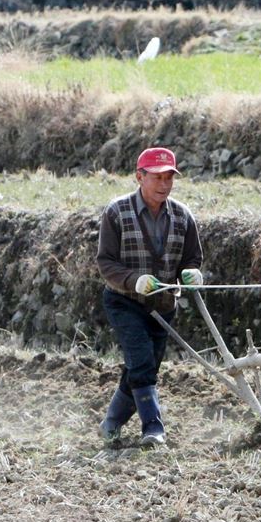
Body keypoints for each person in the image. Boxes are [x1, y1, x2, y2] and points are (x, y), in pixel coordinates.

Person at [96, 147, 203, 446]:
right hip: (124, 301)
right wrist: (134, 280)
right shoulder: (116, 212)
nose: (164, 184)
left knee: (142, 368)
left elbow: (192, 258)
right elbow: (105, 263)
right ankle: (153, 429)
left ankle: (111, 423)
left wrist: (192, 274)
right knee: (141, 363)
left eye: (169, 177)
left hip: (164, 305)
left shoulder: (183, 216)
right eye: (157, 177)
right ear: (139, 176)